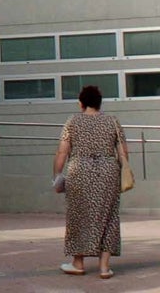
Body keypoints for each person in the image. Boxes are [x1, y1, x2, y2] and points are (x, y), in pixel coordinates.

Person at [53, 85, 129, 279]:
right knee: (109, 216)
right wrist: (124, 169)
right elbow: (123, 152)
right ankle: (104, 267)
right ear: (99, 102)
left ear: (81, 103)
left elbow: (63, 151)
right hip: (108, 170)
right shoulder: (112, 121)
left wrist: (57, 175)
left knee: (78, 215)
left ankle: (78, 263)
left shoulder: (72, 121)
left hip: (80, 170)